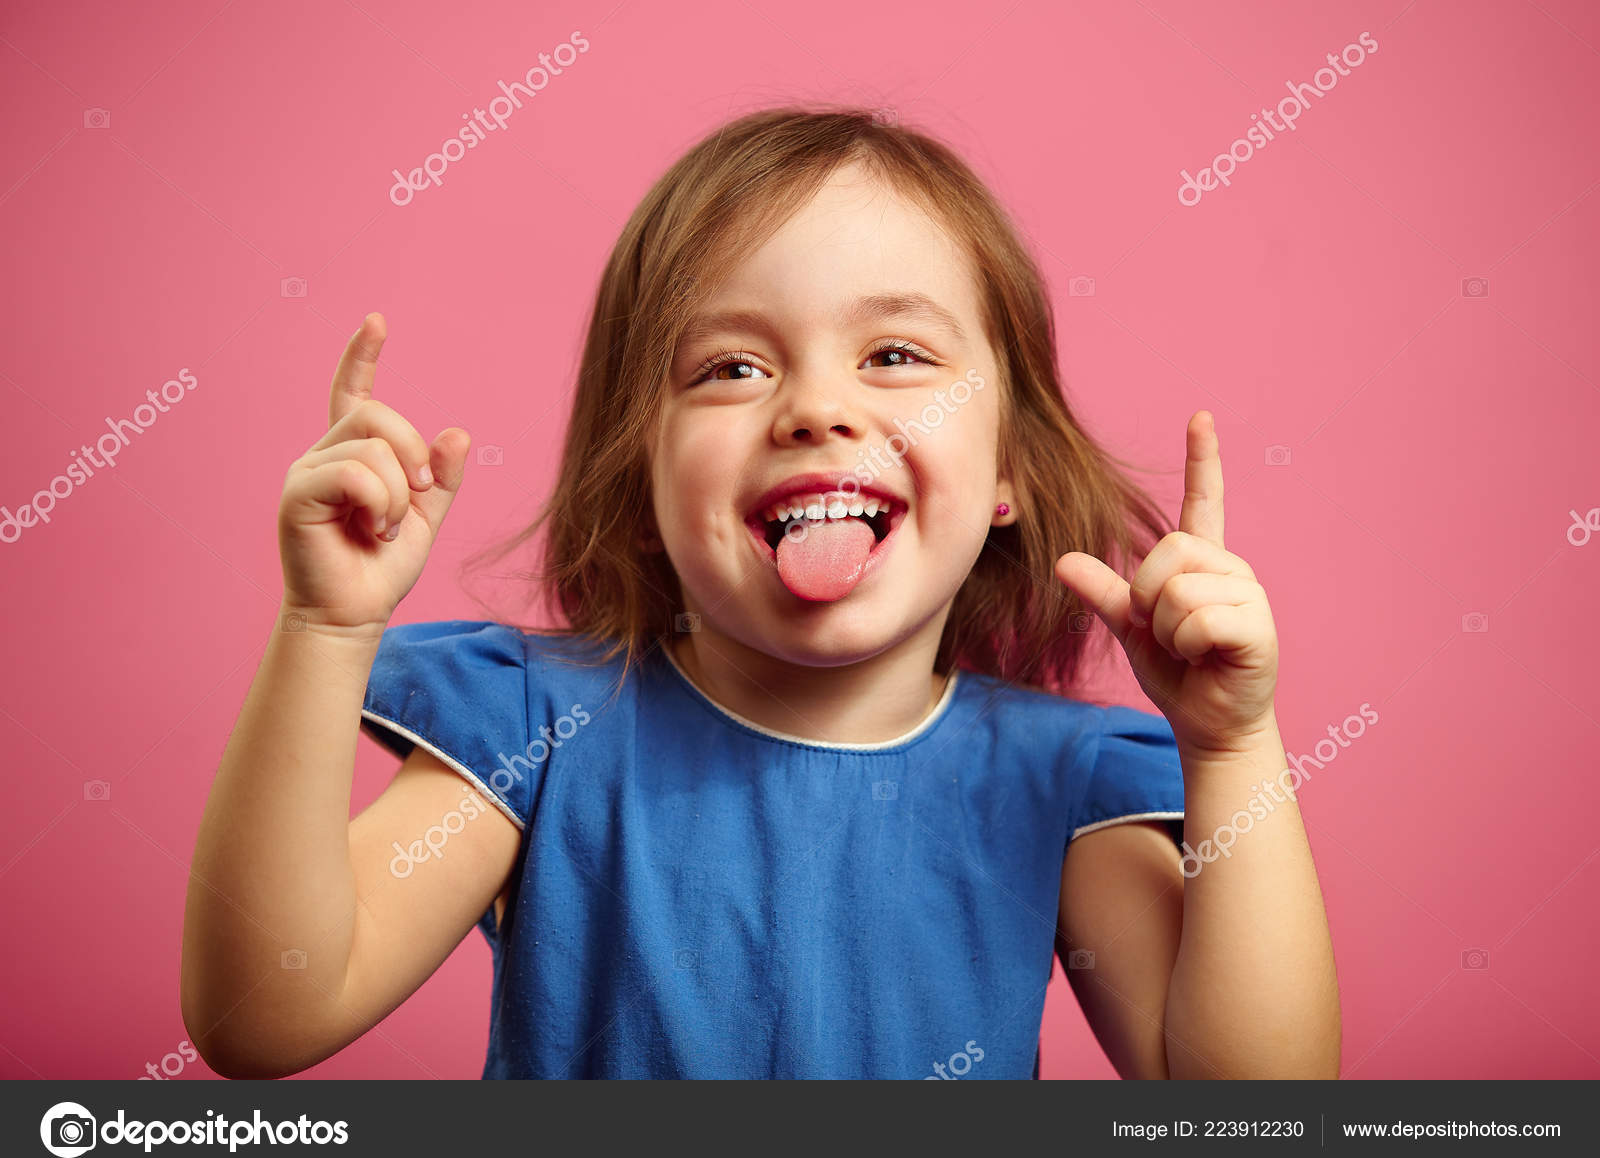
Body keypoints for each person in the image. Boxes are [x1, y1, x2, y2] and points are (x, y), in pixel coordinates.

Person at [181, 106, 1339, 1079]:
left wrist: (1233, 747)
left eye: (894, 356)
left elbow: (1252, 1113)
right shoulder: (541, 731)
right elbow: (261, 1018)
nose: (815, 408)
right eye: (730, 366)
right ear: (640, 477)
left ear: (1008, 473)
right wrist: (324, 628)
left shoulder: (1059, 783)